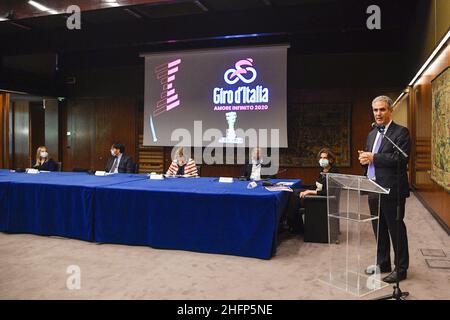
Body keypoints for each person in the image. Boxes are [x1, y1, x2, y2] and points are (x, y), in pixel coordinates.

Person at [358, 95, 410, 283]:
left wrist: (373, 157)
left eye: (382, 109)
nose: (378, 113)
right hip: (373, 187)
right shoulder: (372, 133)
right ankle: (383, 263)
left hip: (392, 189)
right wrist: (365, 159)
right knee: (379, 229)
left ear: (390, 110)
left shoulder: (401, 133)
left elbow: (401, 159)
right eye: (375, 110)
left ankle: (401, 268)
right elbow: (371, 159)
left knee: (396, 229)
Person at [283, 148, 339, 234]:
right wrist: (307, 190)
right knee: (294, 192)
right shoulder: (323, 170)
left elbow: (327, 192)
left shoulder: (334, 172)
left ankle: (290, 222)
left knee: (296, 199)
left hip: (324, 199)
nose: (322, 160)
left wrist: (309, 192)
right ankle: (292, 223)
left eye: (325, 158)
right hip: (318, 194)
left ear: (330, 160)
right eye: (321, 158)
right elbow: (316, 185)